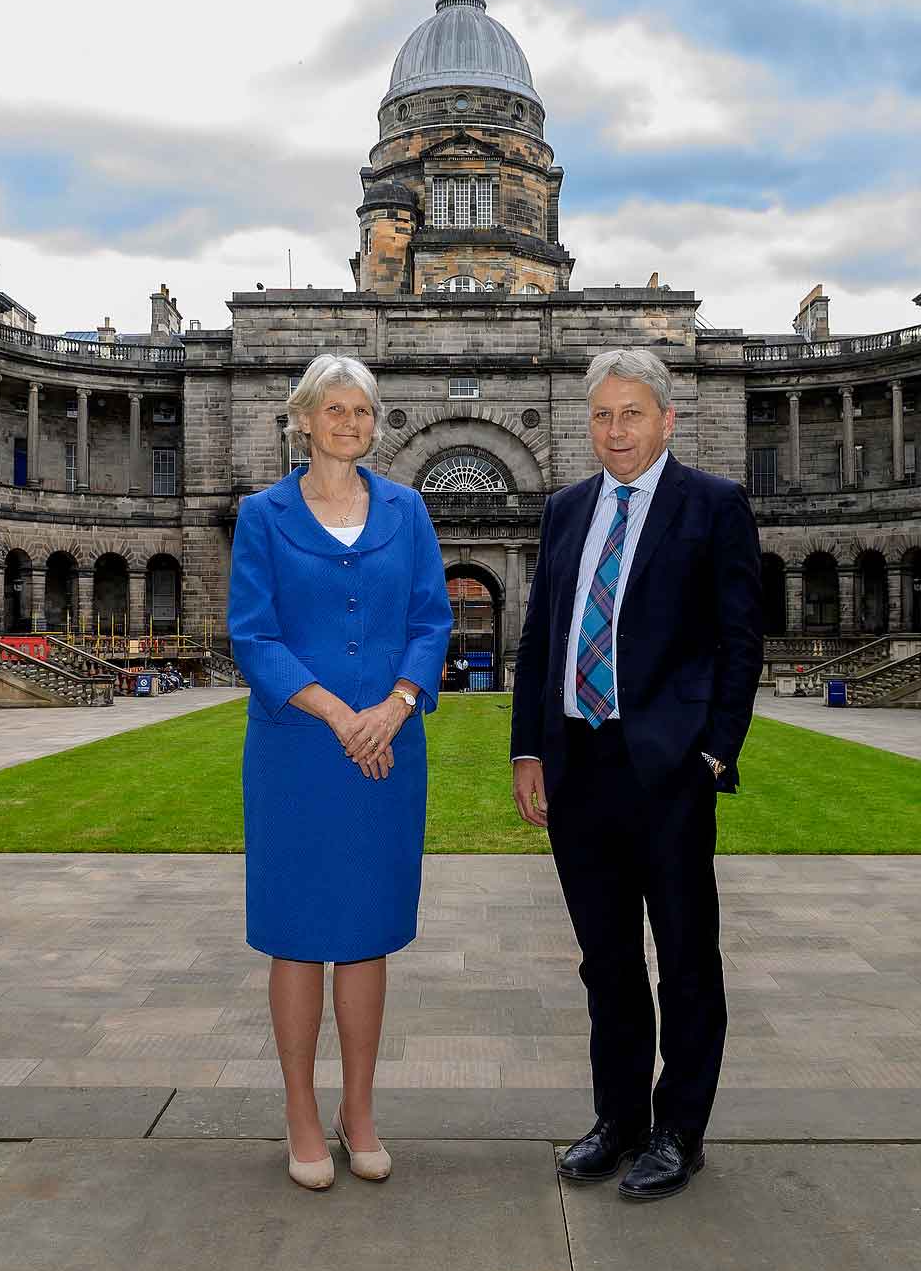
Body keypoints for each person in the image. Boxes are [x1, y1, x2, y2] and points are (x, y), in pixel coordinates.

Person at [510, 348, 765, 1202]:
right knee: (606, 961)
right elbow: (541, 638)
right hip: (580, 763)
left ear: (666, 419)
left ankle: (679, 1131)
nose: (615, 431)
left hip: (669, 766)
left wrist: (716, 749)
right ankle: (617, 1119)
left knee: (687, 958)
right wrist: (527, 748)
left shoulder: (715, 505)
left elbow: (741, 638)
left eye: (631, 413)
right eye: (602, 416)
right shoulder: (564, 509)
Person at [228, 352, 454, 1192]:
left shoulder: (408, 509)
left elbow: (432, 621)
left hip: (387, 751)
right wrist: (336, 712)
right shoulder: (263, 513)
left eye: (363, 410)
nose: (349, 422)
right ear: (302, 418)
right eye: (334, 409)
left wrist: (393, 706)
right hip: (297, 749)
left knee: (364, 937)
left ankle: (359, 1112)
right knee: (296, 936)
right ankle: (300, 1114)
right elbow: (254, 635)